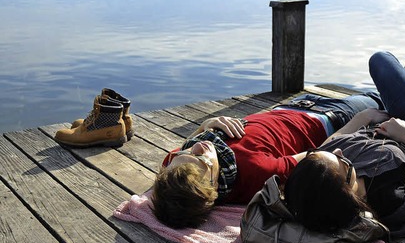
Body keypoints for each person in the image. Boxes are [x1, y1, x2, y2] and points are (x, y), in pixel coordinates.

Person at [284, 51, 405, 237]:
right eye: (342, 162)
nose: (338, 151)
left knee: (385, 86)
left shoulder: (321, 178)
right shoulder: (393, 201)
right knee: (381, 59)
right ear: (348, 190)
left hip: (380, 123)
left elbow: (330, 144)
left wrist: (362, 118)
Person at [151, 88, 388, 228]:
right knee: (379, 98)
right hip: (326, 118)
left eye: (185, 152)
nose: (198, 147)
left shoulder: (176, 168)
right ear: (213, 183)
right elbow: (320, 154)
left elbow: (187, 150)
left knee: (388, 92)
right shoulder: (256, 171)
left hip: (291, 105)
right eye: (202, 159)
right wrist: (362, 119)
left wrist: (204, 125)